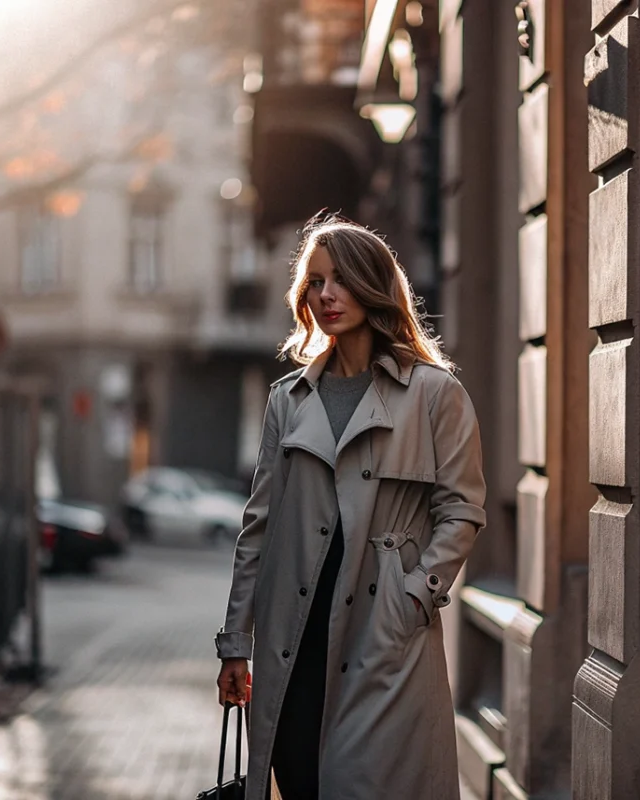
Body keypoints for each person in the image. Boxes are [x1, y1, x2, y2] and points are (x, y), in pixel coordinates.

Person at [214, 213, 487, 800]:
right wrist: (236, 642)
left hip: (381, 634)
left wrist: (413, 596)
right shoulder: (287, 400)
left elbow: (462, 510)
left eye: (340, 278)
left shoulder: (435, 394)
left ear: (373, 284)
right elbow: (257, 529)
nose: (327, 295)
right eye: (315, 282)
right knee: (300, 781)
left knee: (368, 783)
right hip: (293, 637)